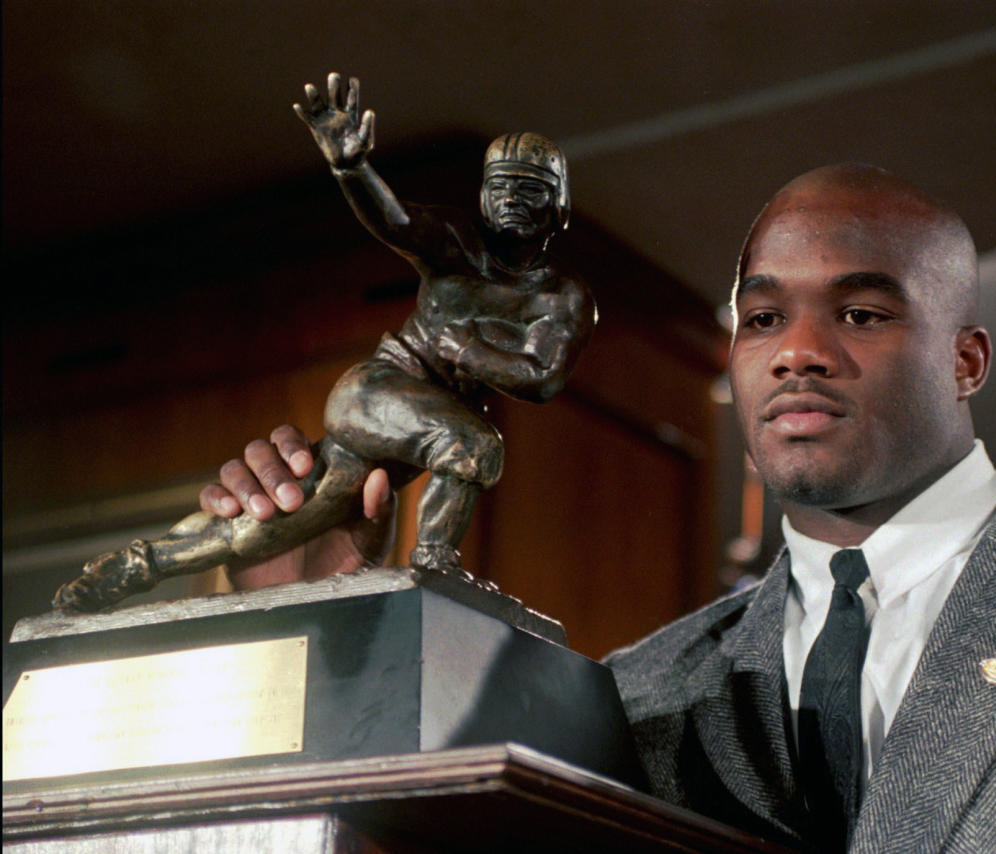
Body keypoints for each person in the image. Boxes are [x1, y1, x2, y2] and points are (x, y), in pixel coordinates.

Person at [196, 164, 996, 852]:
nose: (797, 348)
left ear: (964, 358)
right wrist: (336, 626)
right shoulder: (624, 697)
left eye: (863, 311)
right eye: (760, 316)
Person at [52, 75, 594, 610]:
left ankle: (141, 563)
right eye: (500, 186)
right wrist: (352, 168)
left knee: (260, 531)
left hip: (412, 438)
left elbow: (541, 377)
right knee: (477, 446)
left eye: (530, 189)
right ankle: (434, 565)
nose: (512, 200)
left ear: (560, 205)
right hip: (380, 392)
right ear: (481, 195)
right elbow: (397, 221)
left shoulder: (559, 297)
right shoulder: (457, 244)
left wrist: (464, 351)